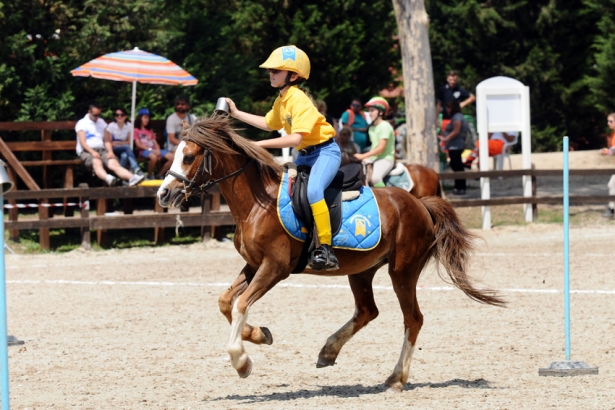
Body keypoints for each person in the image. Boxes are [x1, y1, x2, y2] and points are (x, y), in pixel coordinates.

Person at [225, 45, 341, 271]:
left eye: (276, 71)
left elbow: (295, 139)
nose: (271, 74)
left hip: (325, 153)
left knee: (314, 191)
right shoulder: (282, 99)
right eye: (270, 70)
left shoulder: (298, 99)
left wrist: (256, 145)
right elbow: (269, 124)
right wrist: (236, 114)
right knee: (280, 190)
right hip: (306, 155)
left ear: (294, 75)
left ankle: (325, 248)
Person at [75, 104, 144, 187]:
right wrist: (92, 152)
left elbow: (107, 140)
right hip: (86, 151)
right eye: (95, 115)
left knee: (113, 162)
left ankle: (132, 178)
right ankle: (108, 178)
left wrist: (110, 151)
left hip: (102, 149)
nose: (97, 117)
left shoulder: (101, 122)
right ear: (89, 112)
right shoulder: (82, 123)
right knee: (97, 162)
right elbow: (83, 142)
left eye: (99, 115)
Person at [354, 97, 396, 187]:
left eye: (372, 110)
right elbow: (374, 147)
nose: (370, 113)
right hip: (374, 158)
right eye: (369, 111)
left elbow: (381, 148)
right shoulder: (372, 128)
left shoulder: (385, 126)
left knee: (375, 178)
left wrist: (362, 156)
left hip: (386, 158)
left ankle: (385, 198)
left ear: (380, 112)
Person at [134, 108, 174, 179]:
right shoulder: (136, 130)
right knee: (153, 157)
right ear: (140, 118)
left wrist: (158, 150)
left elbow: (155, 143)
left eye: (148, 118)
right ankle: (150, 175)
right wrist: (151, 150)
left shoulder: (149, 131)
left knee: (172, 157)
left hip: (154, 150)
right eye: (145, 117)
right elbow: (138, 145)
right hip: (143, 151)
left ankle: (159, 174)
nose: (147, 120)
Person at [439, 99, 468, 195]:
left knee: (457, 166)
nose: (446, 110)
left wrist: (445, 139)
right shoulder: (457, 116)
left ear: (452, 108)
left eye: (447, 107)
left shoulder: (457, 117)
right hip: (454, 145)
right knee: (456, 166)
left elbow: (456, 131)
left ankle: (461, 187)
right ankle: (458, 187)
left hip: (456, 145)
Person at [103, 107, 143, 176]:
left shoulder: (129, 126)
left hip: (123, 147)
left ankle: (122, 177)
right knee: (126, 147)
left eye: (122, 115)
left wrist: (118, 143)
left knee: (124, 155)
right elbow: (109, 142)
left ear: (125, 116)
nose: (119, 116)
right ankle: (136, 168)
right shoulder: (111, 126)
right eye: (117, 115)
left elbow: (129, 142)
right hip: (114, 149)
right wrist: (122, 143)